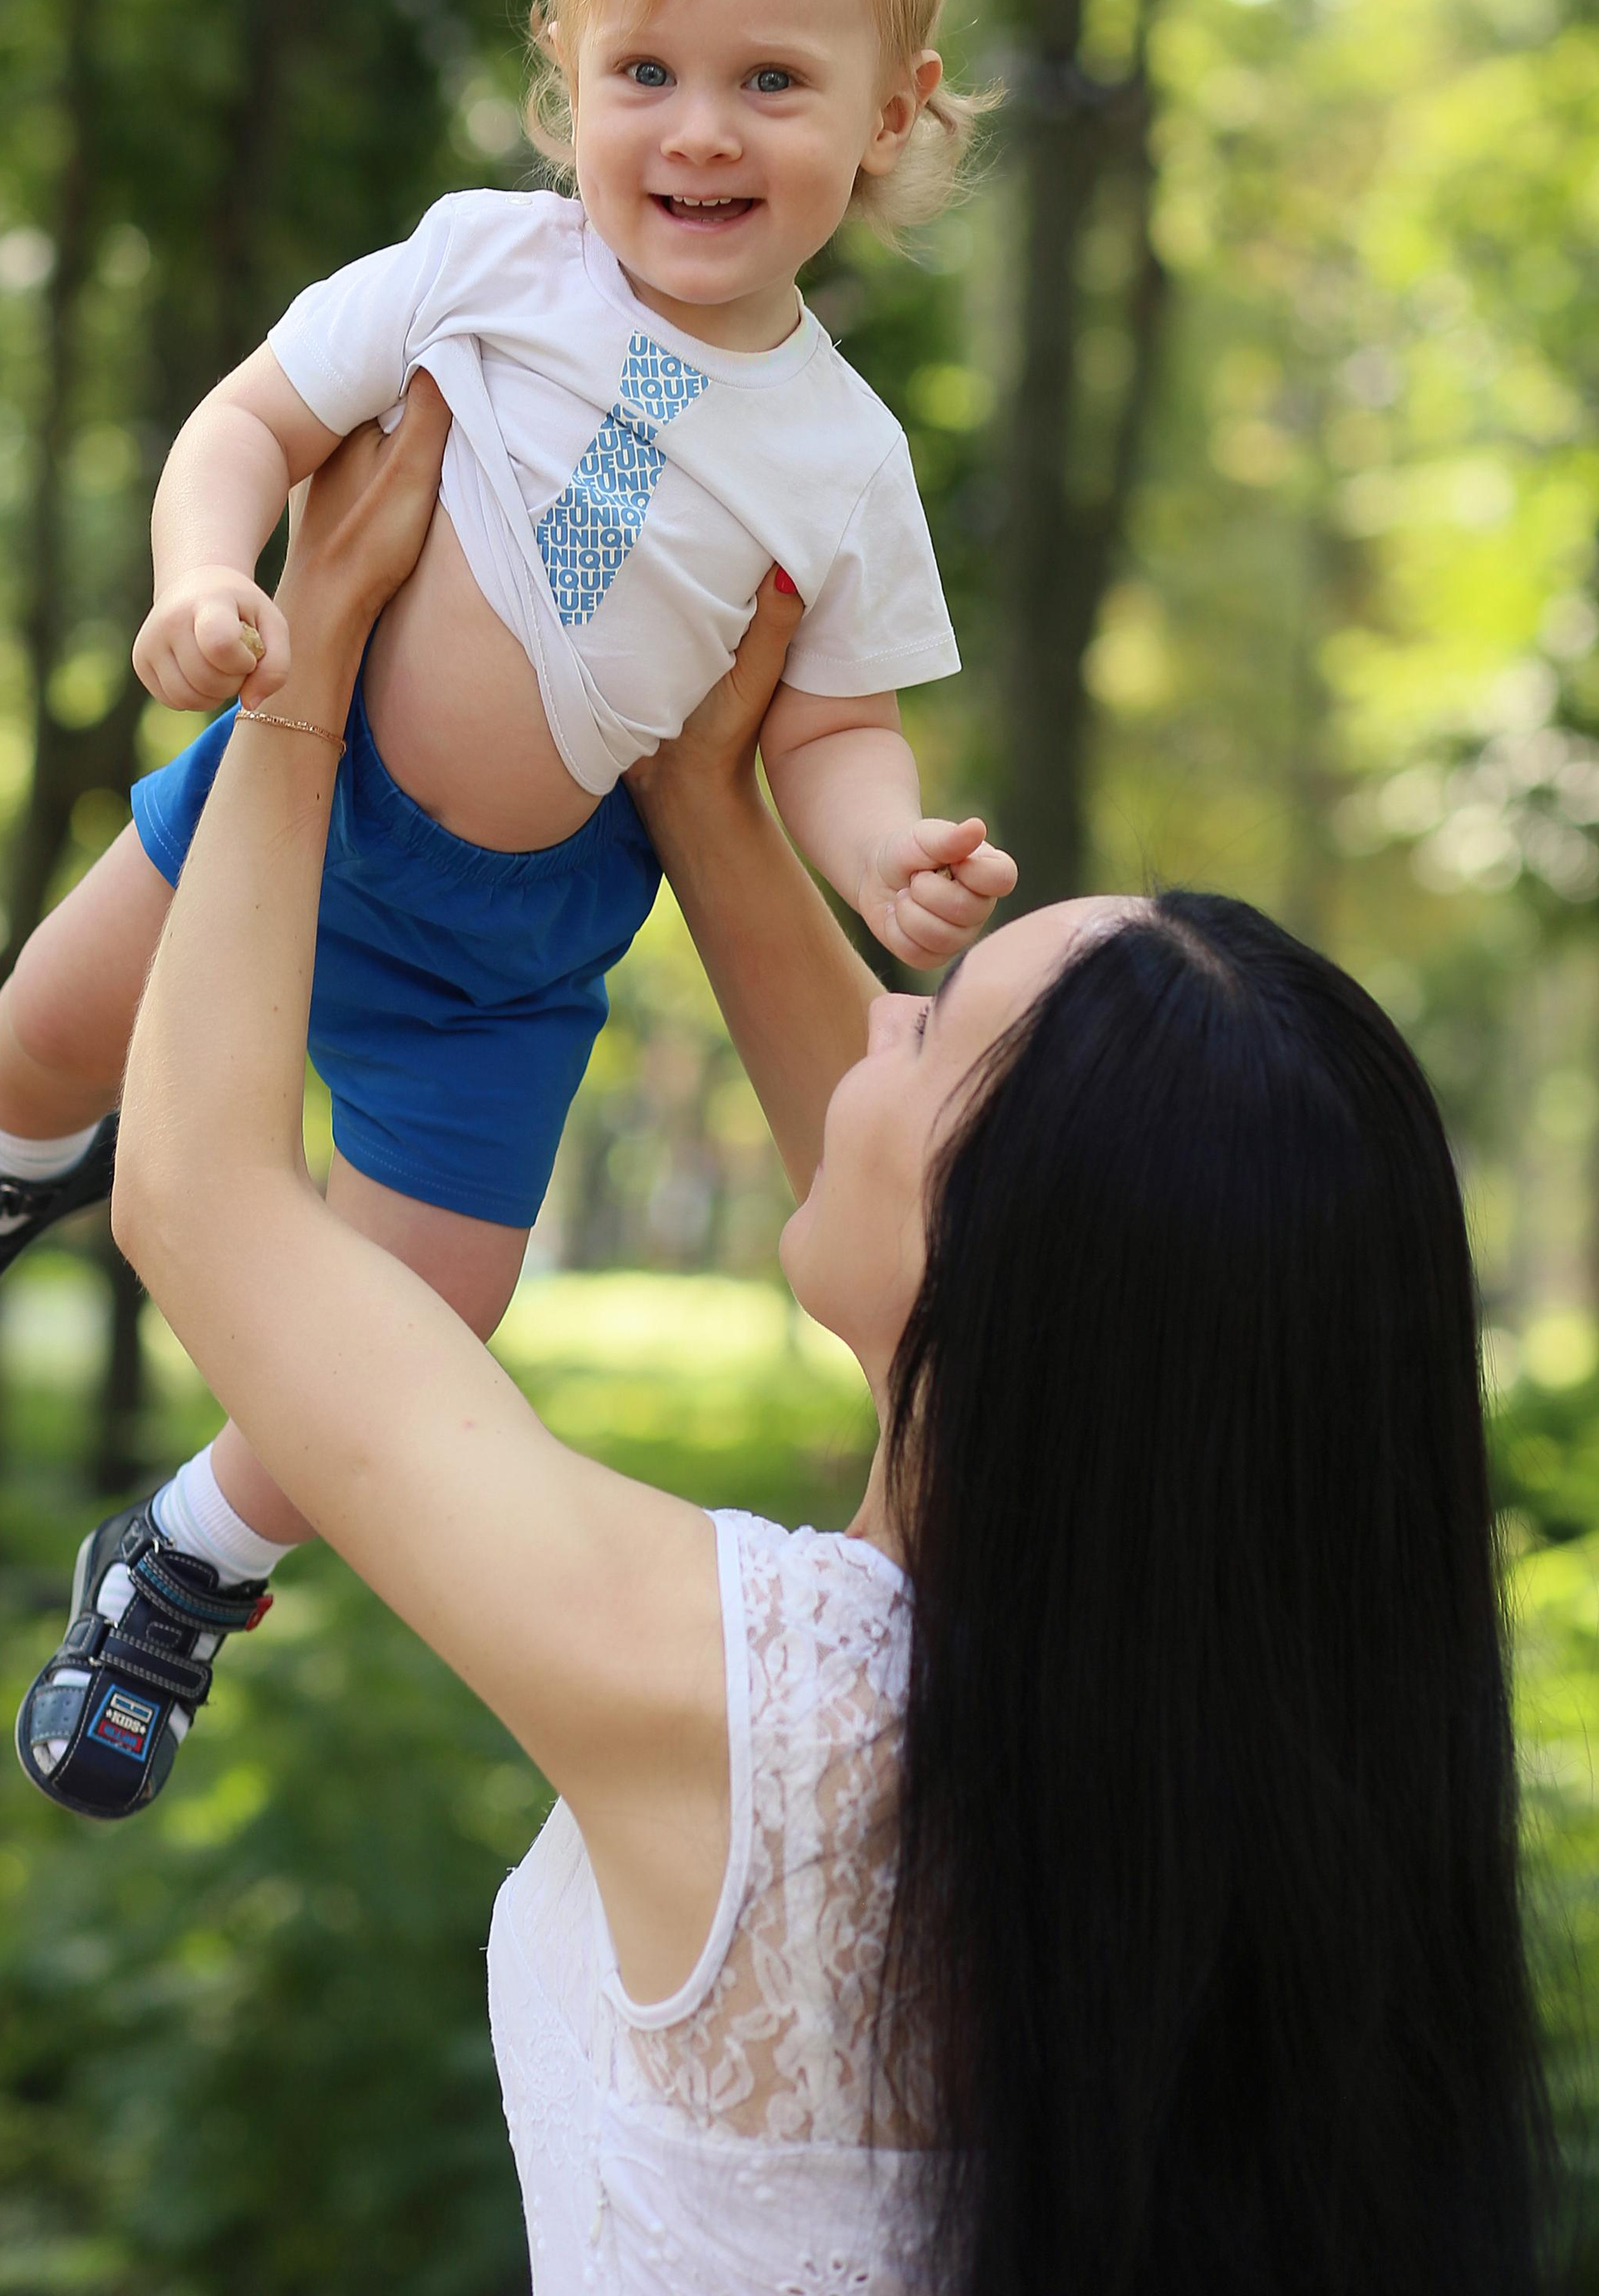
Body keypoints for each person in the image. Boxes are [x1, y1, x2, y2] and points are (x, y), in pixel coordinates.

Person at [97, 386, 1547, 2296]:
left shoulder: (749, 1708)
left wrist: (309, 661)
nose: (865, 1023)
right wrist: (701, 797)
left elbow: (201, 1202)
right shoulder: (1283, 1764)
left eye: (925, 1028)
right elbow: (954, 1253)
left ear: (1009, 1282)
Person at [0, 0, 1016, 1807]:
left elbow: (823, 725)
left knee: (419, 1328)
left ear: (891, 115)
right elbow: (251, 420)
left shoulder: (840, 458)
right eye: (644, 69)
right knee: (52, 1013)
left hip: (515, 936)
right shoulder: (478, 264)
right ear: (562, 74)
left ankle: (186, 1559)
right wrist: (206, 579)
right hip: (301, 808)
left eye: (771, 81)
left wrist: (879, 857)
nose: (698, 131)